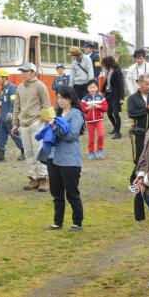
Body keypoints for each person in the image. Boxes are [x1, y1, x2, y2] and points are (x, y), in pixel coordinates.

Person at [45, 87, 85, 232]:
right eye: (58, 97)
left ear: (70, 99)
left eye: (62, 98)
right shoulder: (56, 113)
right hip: (53, 158)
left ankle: (77, 222)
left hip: (69, 160)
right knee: (56, 193)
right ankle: (57, 222)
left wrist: (54, 126)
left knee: (72, 193)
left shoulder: (76, 115)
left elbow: (72, 136)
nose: (59, 100)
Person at [12, 62, 51, 192]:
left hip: (36, 123)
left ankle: (44, 178)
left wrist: (43, 118)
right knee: (28, 152)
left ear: (33, 72)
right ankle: (34, 178)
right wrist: (15, 123)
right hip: (23, 124)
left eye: (25, 71)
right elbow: (16, 107)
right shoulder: (19, 88)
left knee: (39, 151)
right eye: (22, 71)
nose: (23, 74)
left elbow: (46, 104)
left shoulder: (40, 86)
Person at [0, 68, 24, 162]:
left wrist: (10, 112)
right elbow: (2, 101)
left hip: (9, 116)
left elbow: (14, 101)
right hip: (2, 116)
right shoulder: (2, 89)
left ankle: (24, 152)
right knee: (0, 135)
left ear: (4, 78)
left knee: (15, 134)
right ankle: (1, 155)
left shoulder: (12, 88)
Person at [127, 73, 149, 183]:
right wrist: (147, 109)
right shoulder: (132, 98)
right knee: (139, 160)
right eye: (147, 84)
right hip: (139, 133)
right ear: (140, 83)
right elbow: (131, 113)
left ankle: (142, 181)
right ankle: (134, 180)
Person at [80, 79, 108, 159]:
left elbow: (105, 108)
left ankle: (100, 151)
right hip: (89, 121)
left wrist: (99, 106)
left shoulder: (101, 98)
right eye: (90, 87)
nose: (92, 89)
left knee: (101, 135)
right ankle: (91, 152)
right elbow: (83, 109)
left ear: (97, 88)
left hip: (99, 120)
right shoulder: (84, 99)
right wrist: (88, 107)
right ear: (87, 89)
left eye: (94, 87)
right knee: (91, 138)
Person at [101, 56, 125, 139]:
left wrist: (121, 98)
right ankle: (115, 127)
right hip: (109, 95)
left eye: (104, 63)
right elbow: (106, 82)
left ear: (108, 63)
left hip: (116, 95)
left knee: (115, 113)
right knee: (109, 112)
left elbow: (121, 85)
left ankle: (118, 133)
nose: (103, 65)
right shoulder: (109, 71)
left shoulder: (117, 71)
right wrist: (102, 90)